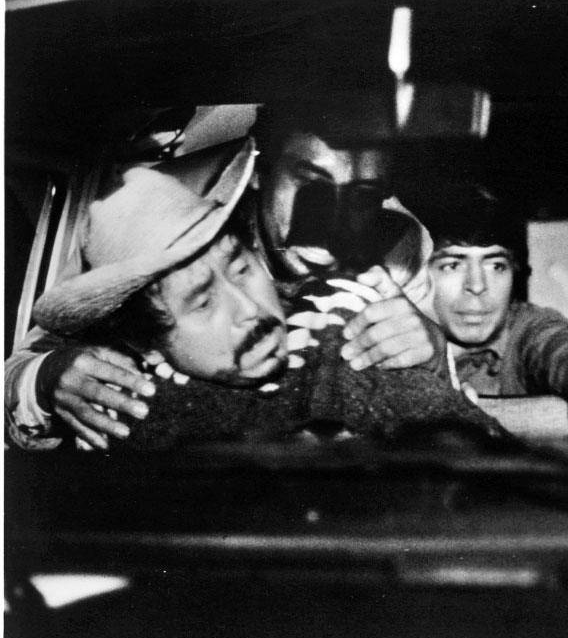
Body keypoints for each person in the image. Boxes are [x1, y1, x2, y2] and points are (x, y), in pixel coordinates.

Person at [6, 104, 445, 450]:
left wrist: (434, 353)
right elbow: (24, 363)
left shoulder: (400, 245)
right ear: (259, 173)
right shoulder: (159, 218)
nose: (333, 226)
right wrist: (43, 380)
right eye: (310, 184)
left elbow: (436, 399)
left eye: (363, 197)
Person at [419, 183, 568, 432]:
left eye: (496, 266)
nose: (477, 285)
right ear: (416, 275)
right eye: (452, 265)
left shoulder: (527, 328)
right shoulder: (404, 337)